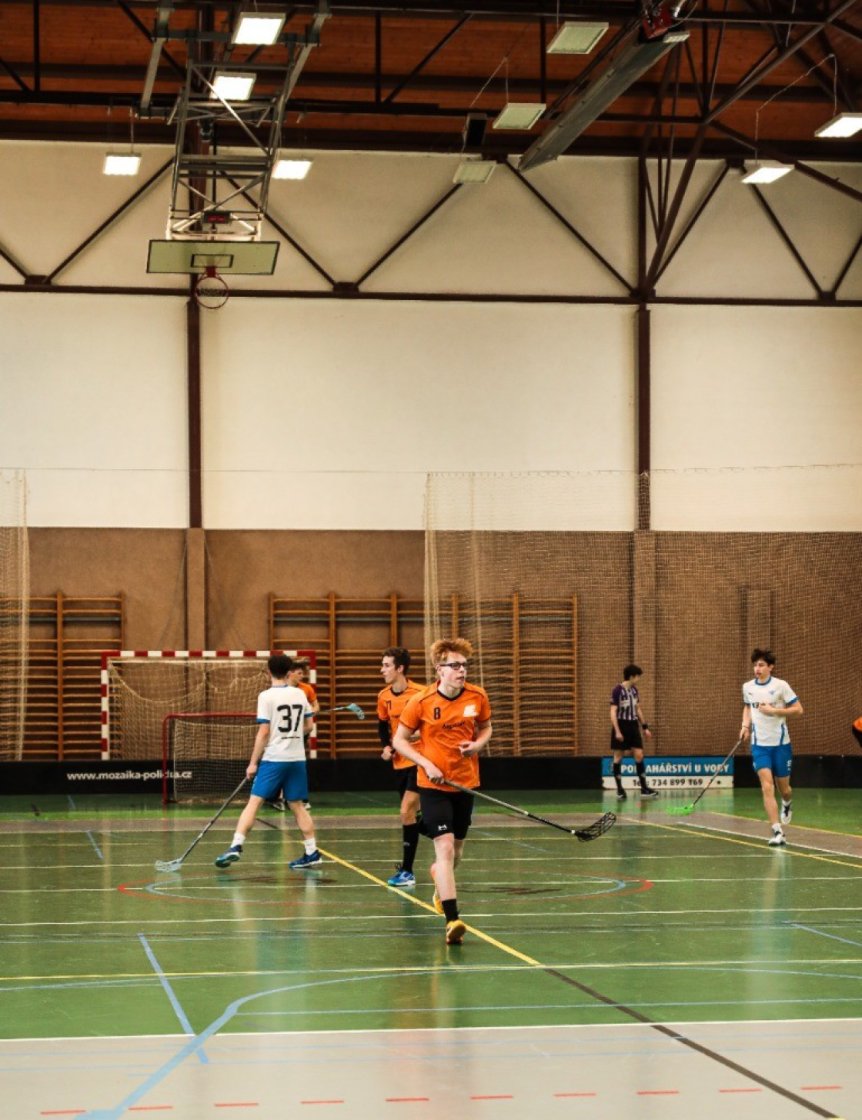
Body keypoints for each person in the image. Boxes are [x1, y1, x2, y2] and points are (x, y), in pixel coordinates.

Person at [393, 637, 492, 946]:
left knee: (456, 852)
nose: (461, 670)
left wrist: (477, 745)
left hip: (465, 783)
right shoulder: (421, 701)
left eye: (464, 665)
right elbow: (399, 740)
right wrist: (425, 763)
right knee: (445, 847)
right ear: (439, 669)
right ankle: (453, 920)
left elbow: (486, 727)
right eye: (455, 665)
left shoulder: (477, 696)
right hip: (433, 785)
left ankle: (440, 879)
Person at [214, 652, 322, 870]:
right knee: (297, 805)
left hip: (274, 758)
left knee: (255, 802)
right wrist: (292, 735)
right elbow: (309, 726)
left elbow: (264, 732)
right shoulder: (300, 694)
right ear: (289, 671)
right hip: (297, 758)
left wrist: (253, 763)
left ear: (268, 672)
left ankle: (236, 846)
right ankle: (312, 852)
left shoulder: (266, 696)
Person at [741, 647, 804, 847]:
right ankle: (777, 831)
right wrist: (745, 726)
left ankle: (787, 803)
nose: (757, 669)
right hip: (760, 746)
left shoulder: (781, 686)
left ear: (771, 667)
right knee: (767, 786)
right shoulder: (748, 687)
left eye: (761, 665)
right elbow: (747, 706)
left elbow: (798, 710)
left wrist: (774, 711)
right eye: (755, 665)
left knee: (784, 789)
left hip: (781, 745)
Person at [377, 646, 425, 888]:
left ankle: (407, 871)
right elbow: (382, 726)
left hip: (420, 760)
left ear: (400, 668)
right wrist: (387, 746)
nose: (382, 670)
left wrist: (413, 737)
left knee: (406, 811)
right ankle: (441, 825)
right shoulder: (383, 696)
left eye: (386, 665)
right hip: (399, 763)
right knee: (413, 816)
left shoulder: (421, 694)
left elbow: (431, 727)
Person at [267, 657, 319, 813]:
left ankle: (300, 799)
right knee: (281, 765)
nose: (302, 676)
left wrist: (310, 712)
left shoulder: (306, 689)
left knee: (296, 765)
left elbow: (315, 706)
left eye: (303, 673)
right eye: (299, 673)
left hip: (300, 733)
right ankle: (277, 798)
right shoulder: (279, 691)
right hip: (281, 735)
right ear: (290, 673)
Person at [609, 664, 657, 800]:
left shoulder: (634, 690)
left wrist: (645, 727)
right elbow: (612, 712)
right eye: (637, 677)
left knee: (639, 755)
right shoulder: (617, 690)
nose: (639, 679)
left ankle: (644, 788)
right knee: (618, 757)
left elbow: (637, 709)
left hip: (633, 726)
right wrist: (617, 731)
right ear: (631, 677)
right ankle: (620, 790)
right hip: (621, 725)